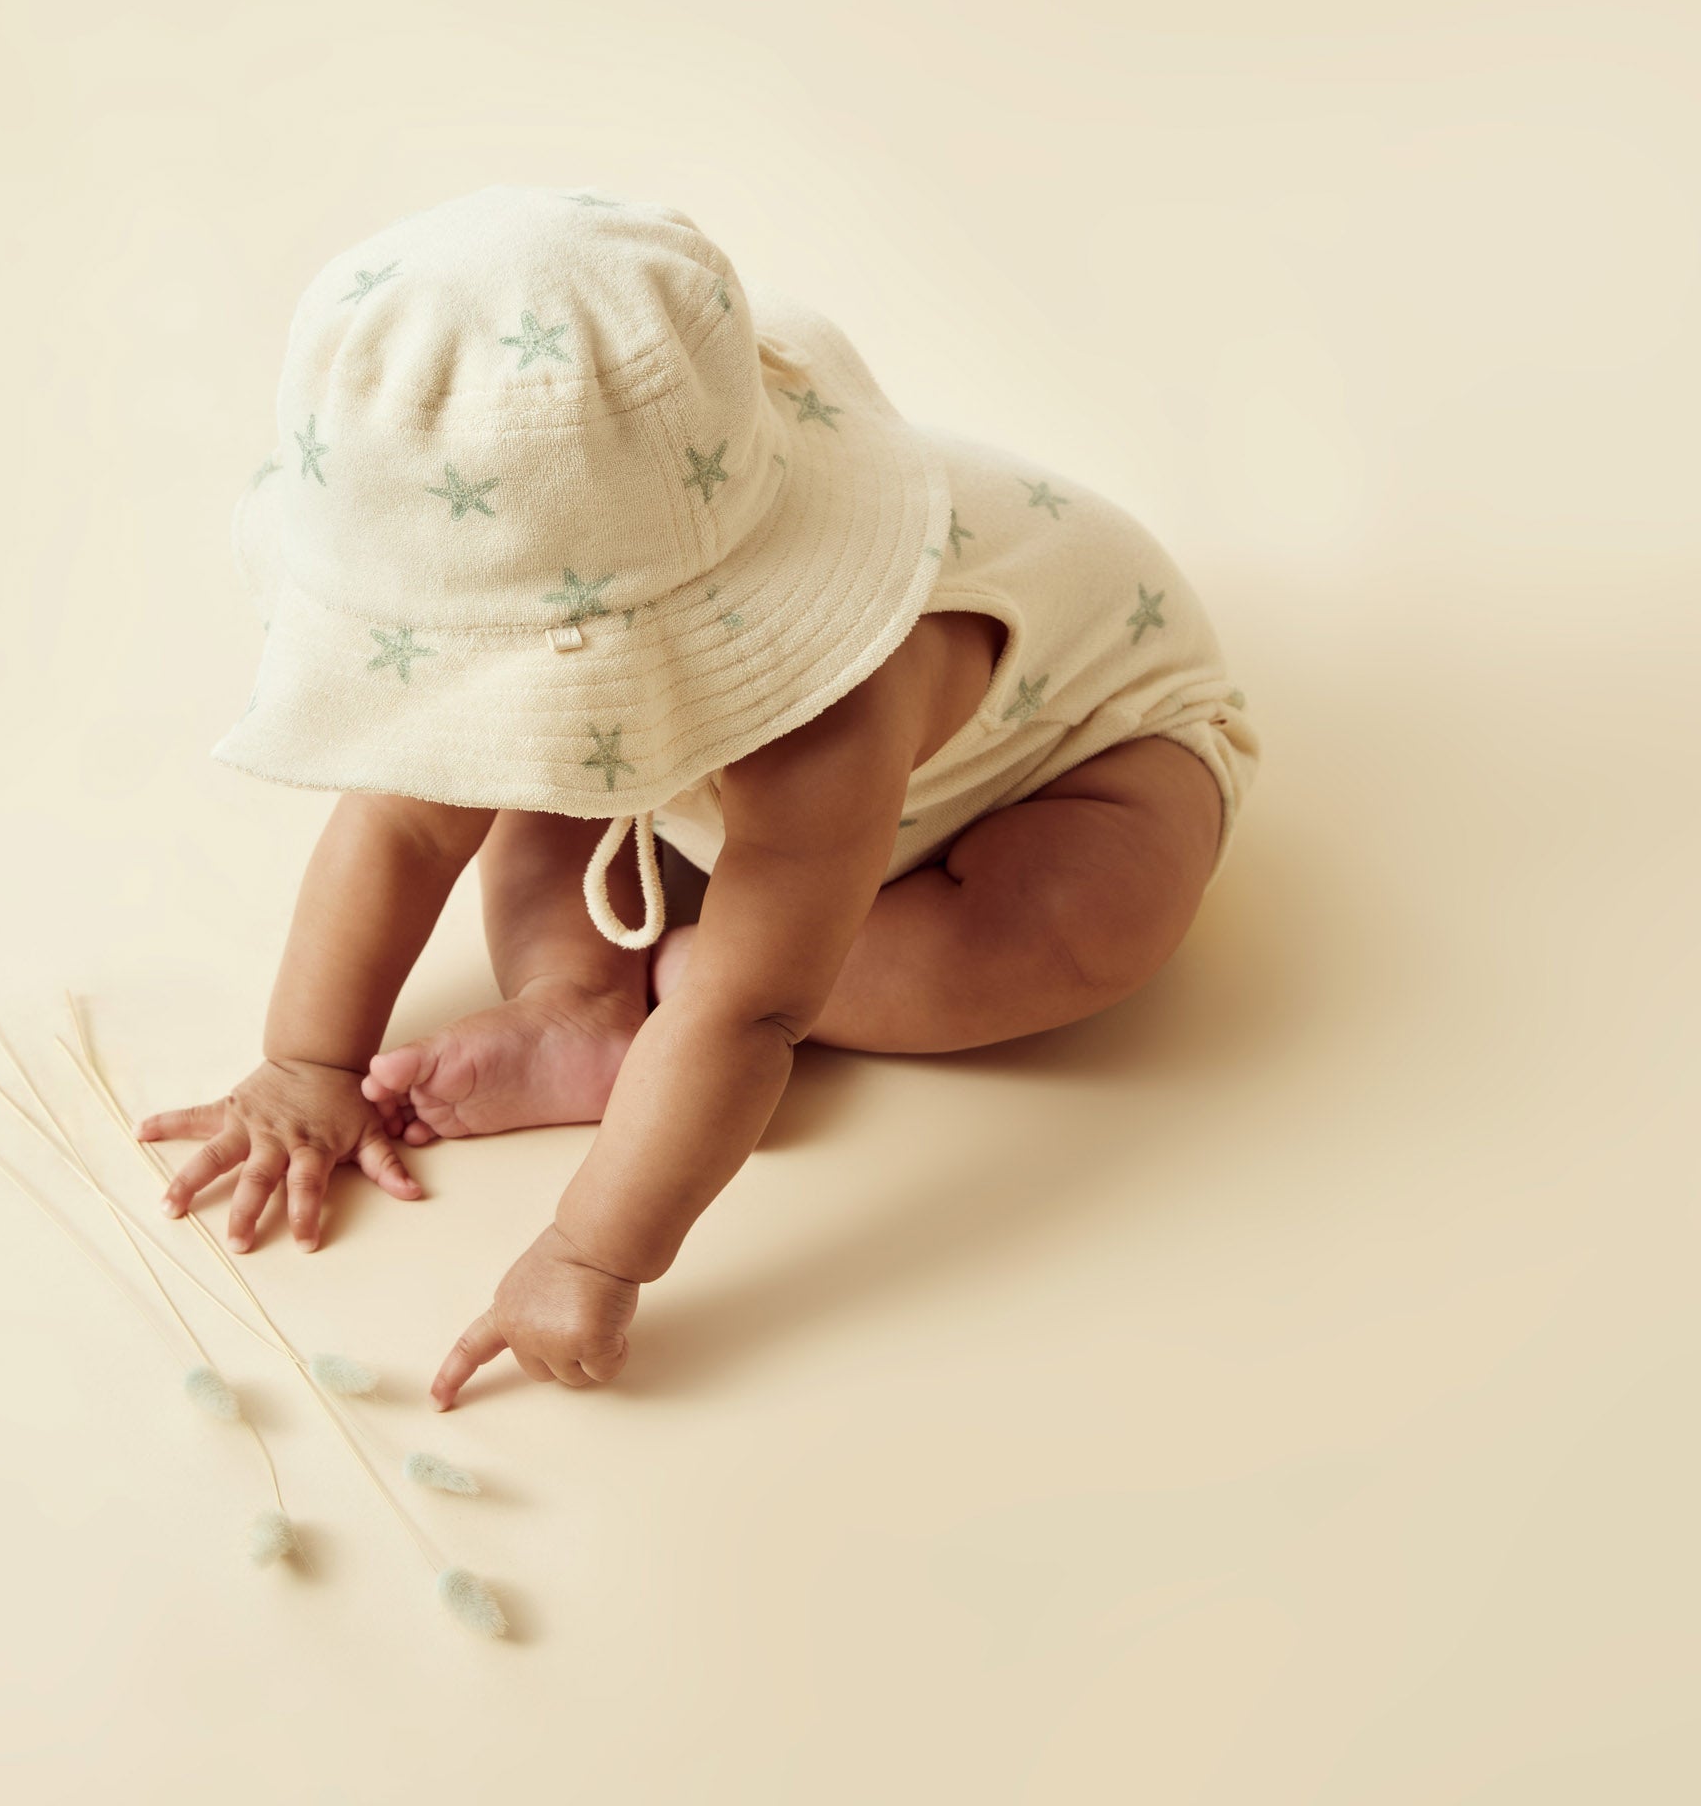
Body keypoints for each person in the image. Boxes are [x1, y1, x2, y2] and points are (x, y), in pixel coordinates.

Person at [139, 183, 1260, 1409]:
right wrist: (305, 1062)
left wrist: (588, 1250)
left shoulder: (835, 705)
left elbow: (751, 1010)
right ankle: (582, 1012)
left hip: (1068, 767)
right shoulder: (564, 600)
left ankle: (656, 994)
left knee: (1080, 926)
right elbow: (404, 820)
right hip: (694, 791)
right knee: (520, 791)